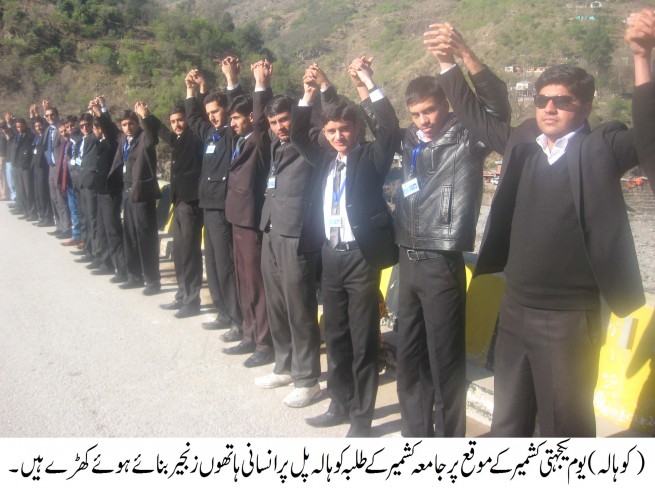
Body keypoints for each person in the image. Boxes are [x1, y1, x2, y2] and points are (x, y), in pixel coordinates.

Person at [426, 18, 655, 437]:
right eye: (541, 99)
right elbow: (477, 118)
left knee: (564, 426)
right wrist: (448, 61)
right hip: (514, 307)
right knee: (508, 420)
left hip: (570, 317)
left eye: (563, 102)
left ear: (584, 107)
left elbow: (650, 135)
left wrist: (643, 58)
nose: (549, 108)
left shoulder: (603, 146)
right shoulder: (523, 143)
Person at [361, 48, 510, 437]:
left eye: (430, 110)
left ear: (446, 103)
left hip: (441, 260)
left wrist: (455, 64)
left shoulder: (470, 138)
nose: (423, 121)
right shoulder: (411, 138)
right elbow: (384, 126)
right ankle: (415, 437)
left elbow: (496, 111)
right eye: (416, 114)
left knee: (444, 361)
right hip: (406, 259)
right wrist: (368, 84)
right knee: (410, 357)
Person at [291, 58, 400, 437]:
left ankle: (361, 417)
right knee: (335, 335)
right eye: (332, 130)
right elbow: (296, 134)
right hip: (330, 255)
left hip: (360, 257)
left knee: (362, 339)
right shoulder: (323, 159)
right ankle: (338, 403)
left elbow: (390, 129)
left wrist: (367, 81)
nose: (339, 136)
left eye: (345, 129)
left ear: (356, 129)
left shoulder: (371, 157)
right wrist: (308, 95)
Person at [254, 63, 337, 407]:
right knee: (276, 304)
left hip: (297, 236)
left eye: (284, 120)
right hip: (271, 230)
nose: (279, 127)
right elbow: (259, 124)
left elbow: (331, 119)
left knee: (300, 309)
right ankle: (284, 365)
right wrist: (261, 85)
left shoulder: (312, 144)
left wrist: (320, 89)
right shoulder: (273, 143)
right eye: (274, 122)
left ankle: (308, 379)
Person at [220, 59, 274, 369]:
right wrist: (230, 80)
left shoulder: (258, 139)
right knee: (242, 281)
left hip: (252, 223)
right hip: (236, 219)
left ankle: (265, 342)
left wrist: (259, 84)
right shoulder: (239, 140)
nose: (232, 123)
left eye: (238, 118)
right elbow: (232, 109)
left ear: (252, 118)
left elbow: (259, 121)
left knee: (256, 284)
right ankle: (249, 333)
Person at [185, 66, 243, 337]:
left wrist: (228, 81)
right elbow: (193, 117)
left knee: (226, 265)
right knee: (213, 264)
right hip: (207, 206)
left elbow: (233, 103)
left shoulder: (232, 134)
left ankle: (236, 319)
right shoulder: (210, 134)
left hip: (222, 208)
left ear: (227, 112)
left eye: (217, 112)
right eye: (210, 114)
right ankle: (222, 311)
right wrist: (192, 90)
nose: (213, 118)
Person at [137, 101, 205, 318]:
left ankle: (192, 300)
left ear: (189, 120)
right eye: (173, 121)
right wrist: (147, 116)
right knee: (178, 251)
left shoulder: (194, 138)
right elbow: (163, 133)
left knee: (189, 252)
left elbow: (196, 116)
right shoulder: (178, 140)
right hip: (178, 201)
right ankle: (182, 293)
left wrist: (195, 93)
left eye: (180, 120)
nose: (177, 125)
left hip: (191, 203)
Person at [108, 108, 162, 295]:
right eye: (124, 124)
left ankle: (153, 280)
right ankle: (134, 275)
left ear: (137, 124)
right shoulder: (123, 140)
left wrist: (145, 116)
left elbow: (151, 137)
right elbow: (109, 131)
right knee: (129, 235)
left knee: (146, 238)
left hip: (142, 194)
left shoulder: (144, 138)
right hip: (127, 193)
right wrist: (102, 112)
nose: (128, 127)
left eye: (131, 123)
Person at [88, 98, 126, 281]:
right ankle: (105, 261)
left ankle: (122, 268)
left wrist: (100, 111)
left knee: (113, 229)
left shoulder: (112, 141)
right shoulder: (102, 141)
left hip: (111, 191)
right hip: (101, 191)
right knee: (102, 228)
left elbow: (110, 128)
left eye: (96, 127)